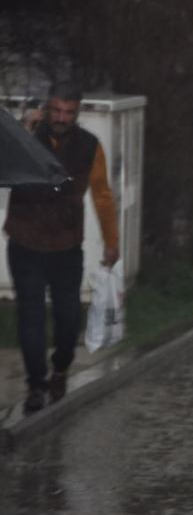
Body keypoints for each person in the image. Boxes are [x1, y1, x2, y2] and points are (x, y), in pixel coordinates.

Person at [4, 82, 119, 414]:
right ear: (46, 108)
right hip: (25, 241)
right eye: (55, 110)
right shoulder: (25, 137)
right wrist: (24, 131)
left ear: (77, 112)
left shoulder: (89, 146)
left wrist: (112, 241)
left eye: (69, 112)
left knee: (68, 319)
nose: (61, 117)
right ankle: (36, 384)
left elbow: (102, 194)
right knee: (31, 316)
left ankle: (61, 367)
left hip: (67, 245)